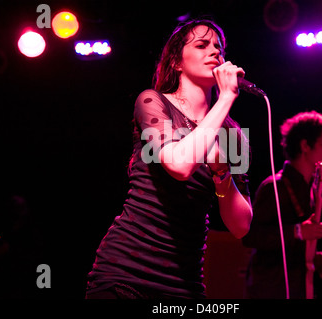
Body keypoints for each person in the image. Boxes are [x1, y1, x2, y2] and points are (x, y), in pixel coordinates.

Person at [86, 19, 253, 299]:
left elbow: (241, 227)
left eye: (218, 48)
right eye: (202, 45)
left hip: (183, 284)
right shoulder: (153, 102)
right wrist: (225, 98)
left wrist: (222, 176)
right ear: (176, 62)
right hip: (126, 273)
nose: (214, 52)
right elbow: (179, 165)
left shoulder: (232, 134)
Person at [242, 111, 322, 299]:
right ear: (305, 145)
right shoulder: (274, 186)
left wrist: (312, 256)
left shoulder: (311, 187)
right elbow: (251, 236)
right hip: (270, 288)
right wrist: (297, 232)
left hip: (298, 287)